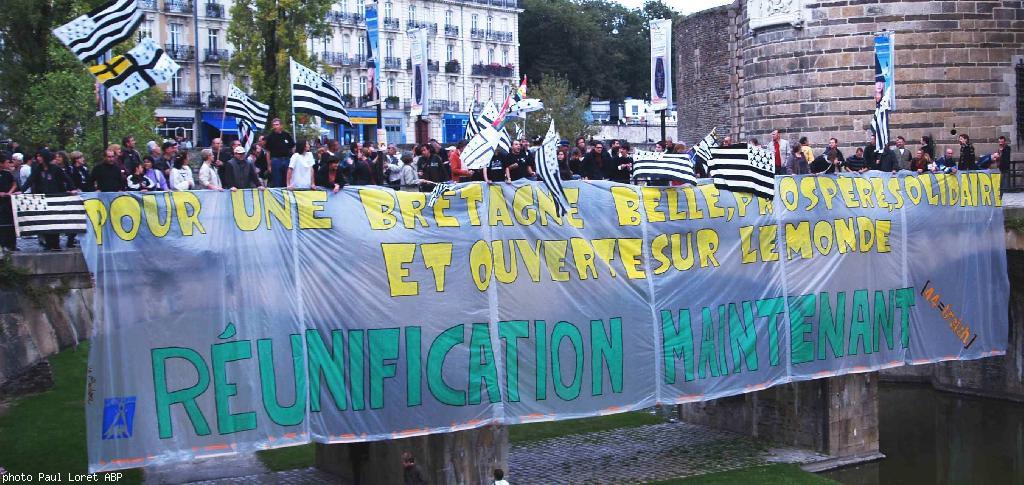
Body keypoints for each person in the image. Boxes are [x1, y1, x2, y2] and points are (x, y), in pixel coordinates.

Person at [264, 118, 295, 187]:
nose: (275, 126)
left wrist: (293, 159)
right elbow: (268, 152)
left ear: (281, 125)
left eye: (277, 124)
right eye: (274, 125)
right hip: (276, 160)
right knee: (277, 180)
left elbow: (292, 147)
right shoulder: (270, 137)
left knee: (287, 180)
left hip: (286, 159)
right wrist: (269, 165)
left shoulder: (286, 135)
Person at [0, 154, 20, 251]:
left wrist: (10, 192)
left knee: (11, 222)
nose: (9, 164)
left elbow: (14, 184)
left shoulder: (7, 174)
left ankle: (12, 244)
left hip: (8, 202)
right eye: (7, 162)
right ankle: (3, 244)